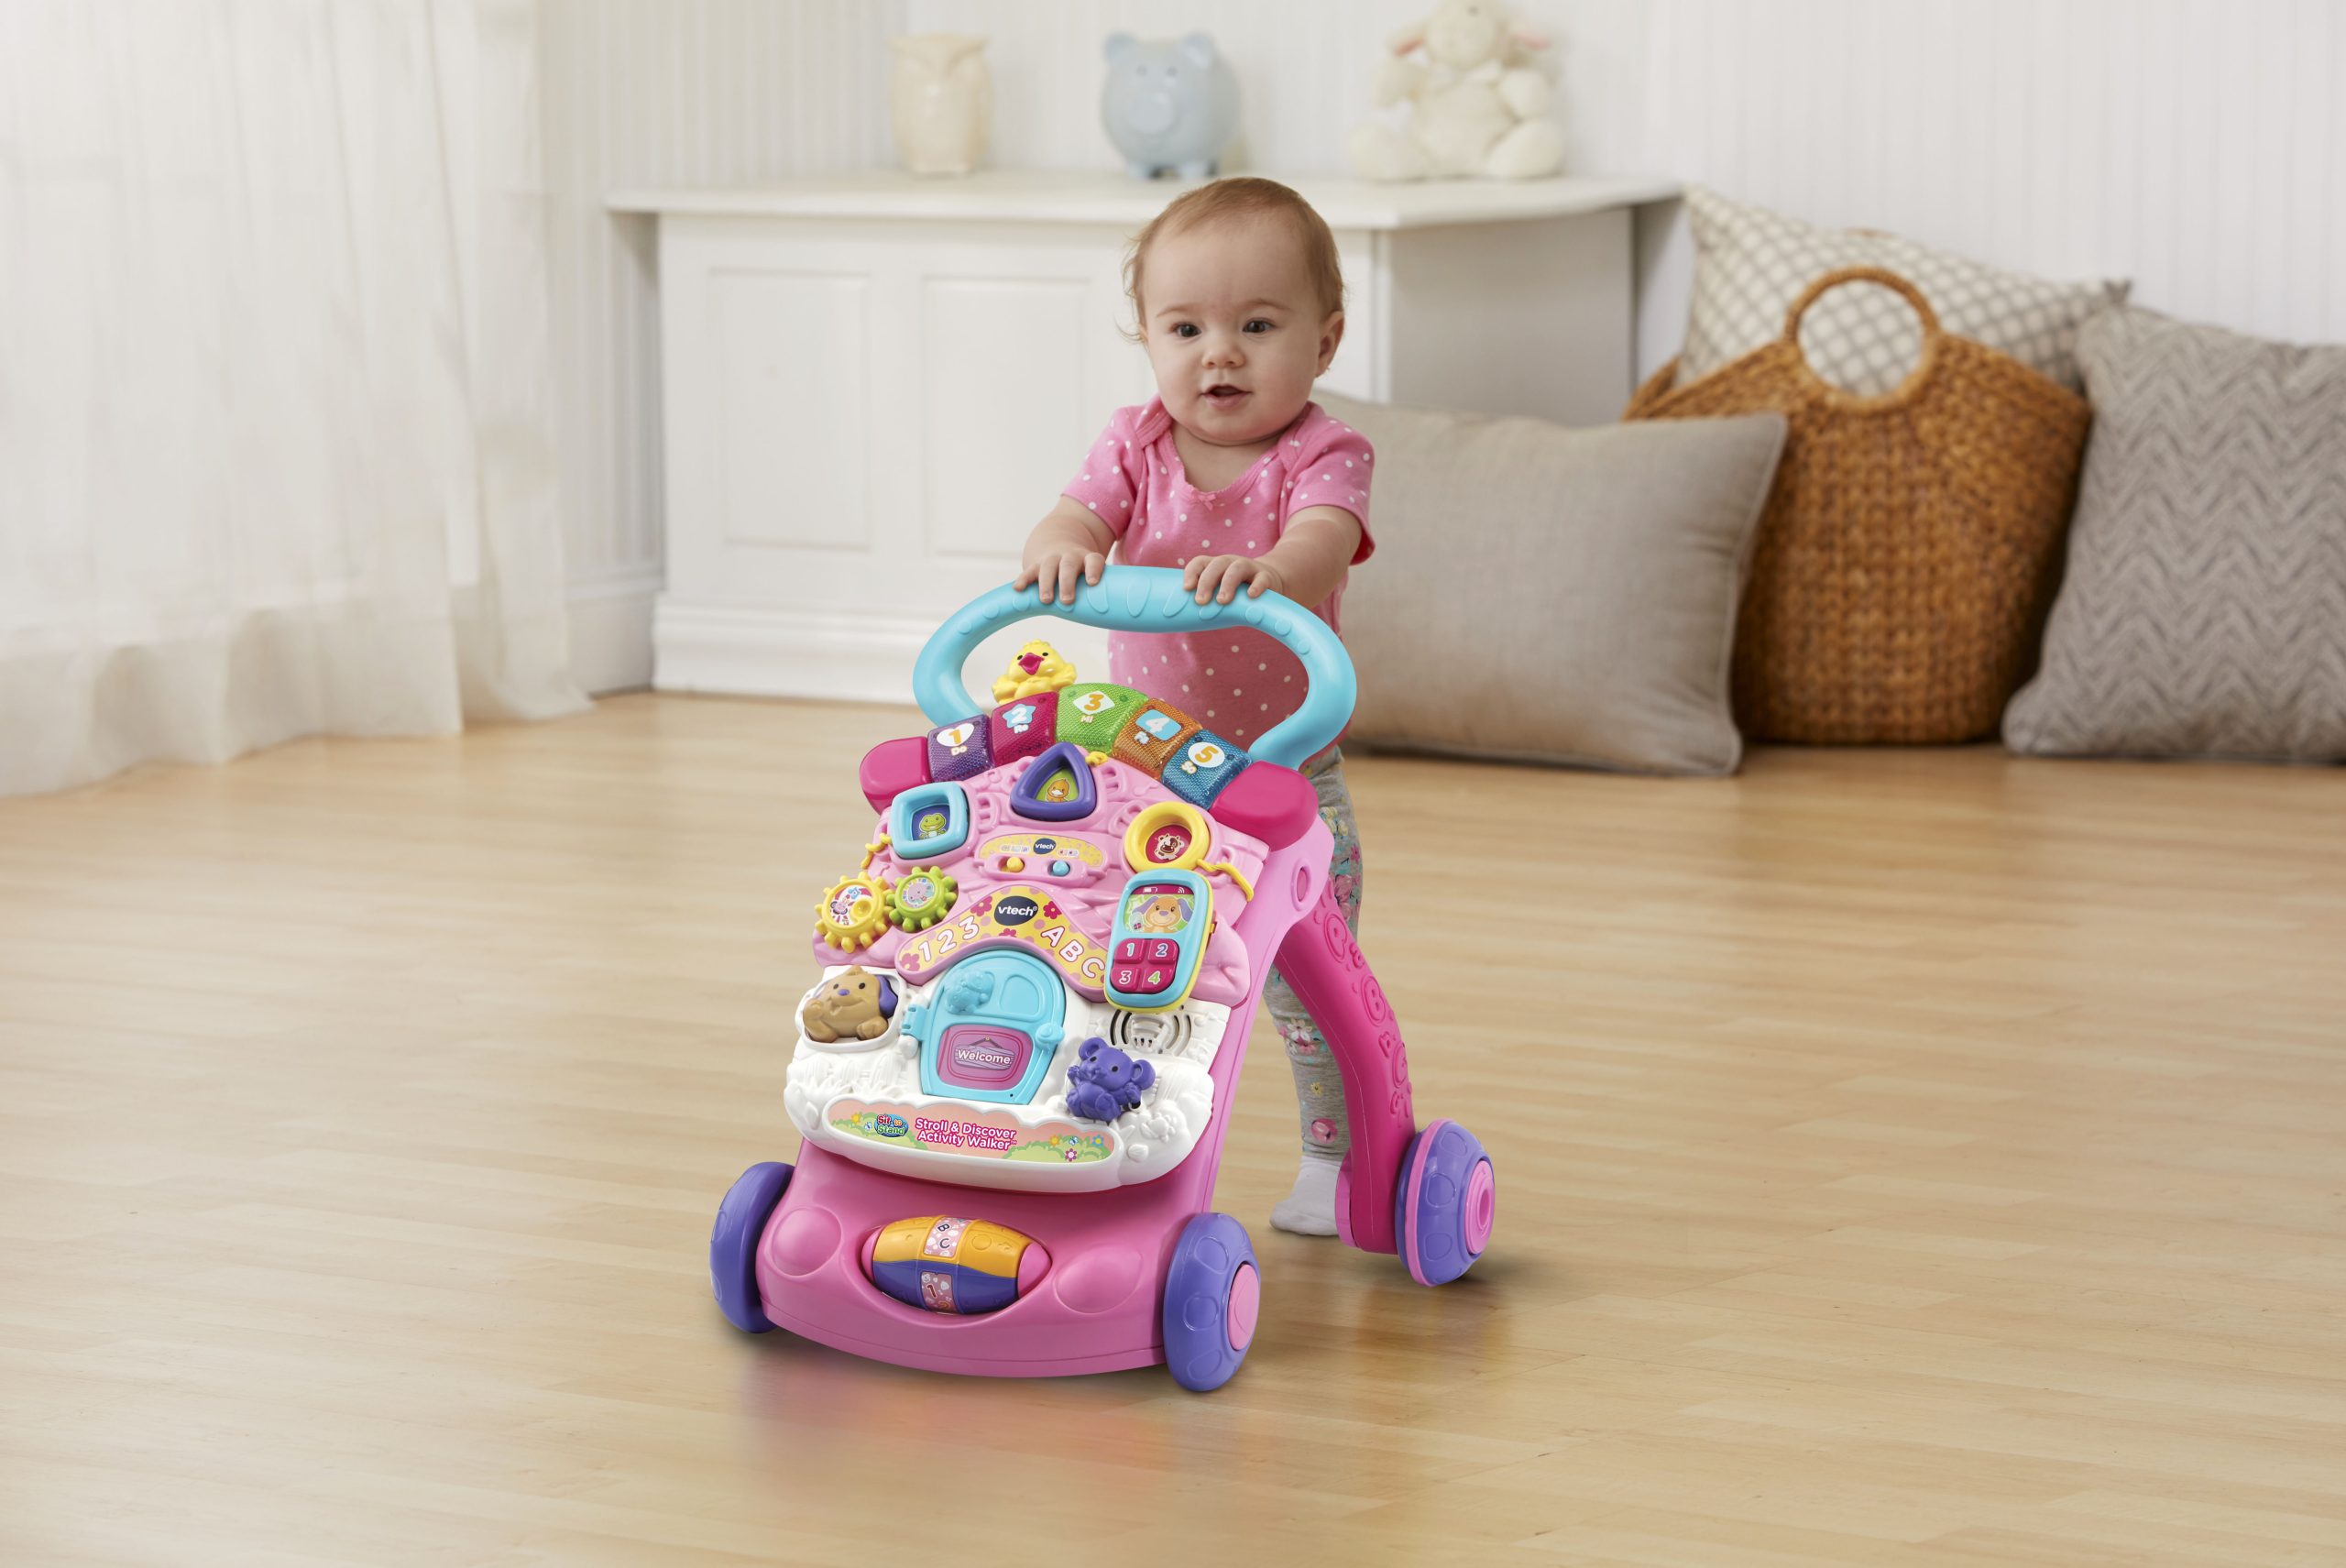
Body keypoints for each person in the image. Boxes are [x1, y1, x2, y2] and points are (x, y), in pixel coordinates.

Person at [1015, 178, 1375, 1235]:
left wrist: (1271, 570)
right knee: (1118, 964)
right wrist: (1062, 547)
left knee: (1311, 981)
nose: (1219, 354)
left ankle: (1334, 1157)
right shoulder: (1133, 444)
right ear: (1148, 337)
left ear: (1324, 340)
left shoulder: (1324, 454)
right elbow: (1073, 517)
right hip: (1142, 774)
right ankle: (1107, 1134)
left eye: (1256, 326)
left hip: (1283, 776)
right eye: (1186, 329)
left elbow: (1322, 543)